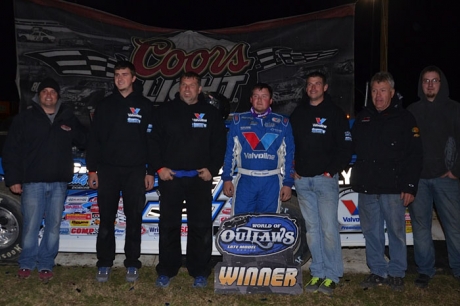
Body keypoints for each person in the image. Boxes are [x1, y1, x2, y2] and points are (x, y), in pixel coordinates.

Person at [2, 77, 87, 281]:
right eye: (45, 91)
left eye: (53, 91)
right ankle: (27, 262)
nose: (49, 94)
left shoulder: (67, 117)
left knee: (53, 225)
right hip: (32, 182)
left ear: (58, 96)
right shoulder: (25, 118)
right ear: (39, 95)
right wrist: (13, 178)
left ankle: (46, 263)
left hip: (59, 183)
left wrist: (77, 124)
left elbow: (86, 140)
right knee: (31, 225)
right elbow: (11, 150)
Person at [150, 71, 226, 288]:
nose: (187, 89)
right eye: (184, 84)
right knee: (168, 226)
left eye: (191, 85)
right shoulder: (164, 111)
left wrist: (212, 168)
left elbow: (220, 144)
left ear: (199, 89)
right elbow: (153, 141)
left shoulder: (211, 113)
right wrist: (159, 168)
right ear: (179, 87)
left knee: (200, 226)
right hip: (170, 178)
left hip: (199, 180)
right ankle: (166, 269)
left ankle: (200, 271)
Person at [351, 71, 422, 291]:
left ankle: (397, 273)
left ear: (392, 92)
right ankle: (377, 271)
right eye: (374, 91)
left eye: (383, 90)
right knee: (371, 232)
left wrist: (410, 185)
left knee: (396, 232)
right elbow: (349, 148)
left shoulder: (405, 118)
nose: (378, 95)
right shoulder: (362, 118)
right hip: (368, 187)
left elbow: (414, 154)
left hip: (394, 188)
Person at [86, 61, 155, 283]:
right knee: (106, 219)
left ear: (133, 78)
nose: (120, 79)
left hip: (135, 171)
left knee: (134, 218)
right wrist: (92, 169)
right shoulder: (104, 105)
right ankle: (104, 263)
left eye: (124, 75)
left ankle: (132, 263)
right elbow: (94, 140)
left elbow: (152, 141)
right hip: (108, 171)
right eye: (116, 75)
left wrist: (151, 171)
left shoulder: (145, 105)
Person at [290, 71, 352, 295]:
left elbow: (346, 147)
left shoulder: (335, 113)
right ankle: (317, 272)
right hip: (303, 182)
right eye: (309, 84)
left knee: (328, 229)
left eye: (317, 84)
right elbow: (290, 143)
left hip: (325, 181)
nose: (313, 88)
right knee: (312, 231)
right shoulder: (299, 113)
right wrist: (292, 169)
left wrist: (331, 171)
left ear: (325, 87)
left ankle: (332, 275)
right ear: (306, 88)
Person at [407, 66, 460, 288]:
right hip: (420, 181)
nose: (430, 85)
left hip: (446, 179)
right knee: (420, 228)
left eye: (434, 81)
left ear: (442, 83)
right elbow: (407, 147)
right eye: (426, 81)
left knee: (454, 227)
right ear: (421, 84)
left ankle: (458, 269)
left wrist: (456, 170)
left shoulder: (454, 109)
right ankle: (425, 271)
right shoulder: (412, 110)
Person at [222, 83, 295, 214]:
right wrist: (227, 178)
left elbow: (289, 155)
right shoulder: (239, 120)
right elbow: (229, 152)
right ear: (251, 99)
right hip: (245, 180)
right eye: (256, 96)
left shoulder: (282, 123)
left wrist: (288, 183)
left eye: (264, 96)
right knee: (240, 223)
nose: (259, 100)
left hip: (271, 182)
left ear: (271, 100)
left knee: (268, 224)